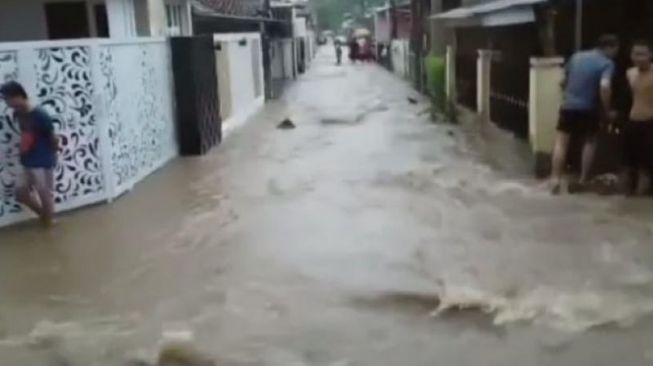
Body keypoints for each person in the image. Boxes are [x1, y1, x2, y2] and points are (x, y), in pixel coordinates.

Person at [550, 34, 620, 194]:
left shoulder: (576, 57)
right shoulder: (607, 63)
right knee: (590, 141)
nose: (615, 53)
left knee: (561, 142)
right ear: (610, 47)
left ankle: (554, 179)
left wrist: (568, 95)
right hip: (588, 108)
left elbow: (563, 81)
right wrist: (607, 109)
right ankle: (583, 179)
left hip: (568, 106)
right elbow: (604, 87)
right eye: (615, 50)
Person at [1, 81, 59, 226]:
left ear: (19, 96)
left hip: (42, 161)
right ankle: (45, 217)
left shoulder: (40, 114)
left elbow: (54, 138)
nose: (7, 103)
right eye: (5, 100)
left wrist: (50, 157)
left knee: (44, 193)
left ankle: (49, 224)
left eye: (8, 99)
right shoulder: (18, 113)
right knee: (20, 193)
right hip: (27, 160)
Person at [622, 40, 653, 195]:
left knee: (645, 166)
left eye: (642, 54)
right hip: (632, 121)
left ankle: (640, 196)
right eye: (635, 54)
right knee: (628, 164)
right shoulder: (630, 74)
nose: (638, 57)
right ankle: (627, 199)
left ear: (650, 55)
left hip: (650, 123)